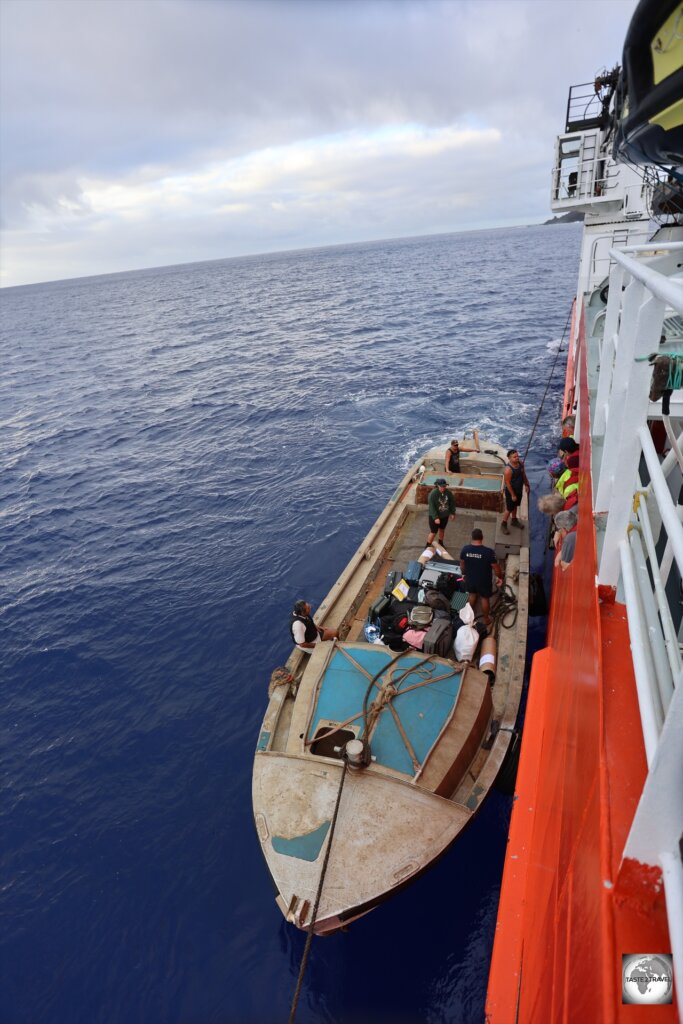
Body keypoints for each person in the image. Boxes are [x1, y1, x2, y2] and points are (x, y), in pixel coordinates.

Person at [460, 528, 503, 627]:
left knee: (472, 595)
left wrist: (464, 574)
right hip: (484, 581)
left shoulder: (465, 549)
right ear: (482, 538)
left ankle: (470, 616)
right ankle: (486, 619)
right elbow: (496, 568)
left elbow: (462, 564)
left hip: (470, 579)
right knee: (484, 598)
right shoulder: (488, 552)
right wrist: (500, 577)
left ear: (472, 538)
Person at [501, 449, 530, 533]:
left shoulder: (520, 464)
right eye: (514, 457)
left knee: (516, 506)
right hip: (511, 492)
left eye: (517, 456)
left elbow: (523, 474)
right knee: (509, 508)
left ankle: (514, 520)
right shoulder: (508, 470)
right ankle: (503, 524)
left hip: (519, 490)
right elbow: (508, 484)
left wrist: (526, 484)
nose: (517, 458)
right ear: (509, 458)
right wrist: (513, 495)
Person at [427, 478, 456, 546]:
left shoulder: (448, 493)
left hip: (444, 516)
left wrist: (452, 512)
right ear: (437, 486)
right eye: (441, 486)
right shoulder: (433, 494)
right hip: (434, 517)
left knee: (442, 530)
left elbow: (452, 503)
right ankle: (427, 545)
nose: (443, 488)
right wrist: (435, 517)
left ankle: (441, 543)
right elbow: (431, 507)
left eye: (444, 486)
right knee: (433, 532)